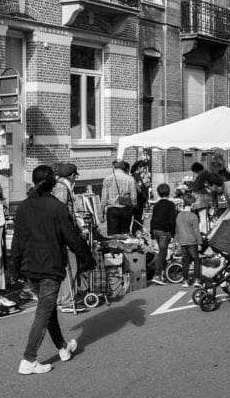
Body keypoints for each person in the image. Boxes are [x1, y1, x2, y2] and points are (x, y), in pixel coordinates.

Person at [10, 165, 95, 375]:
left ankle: (63, 348)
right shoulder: (57, 208)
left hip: (30, 267)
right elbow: (72, 237)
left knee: (48, 309)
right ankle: (29, 359)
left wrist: (14, 267)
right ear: (52, 183)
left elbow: (17, 241)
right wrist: (87, 259)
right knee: (44, 311)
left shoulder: (23, 207)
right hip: (50, 266)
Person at [53, 163, 84, 313]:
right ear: (72, 176)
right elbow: (60, 211)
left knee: (66, 266)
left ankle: (61, 299)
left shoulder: (61, 186)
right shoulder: (62, 188)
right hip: (65, 234)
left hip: (62, 233)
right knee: (71, 266)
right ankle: (66, 301)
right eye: (75, 176)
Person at [149, 184, 176, 285]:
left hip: (155, 230)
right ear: (169, 192)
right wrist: (173, 234)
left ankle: (162, 271)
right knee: (163, 252)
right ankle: (157, 274)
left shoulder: (156, 205)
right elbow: (172, 220)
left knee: (161, 251)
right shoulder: (171, 205)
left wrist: (151, 233)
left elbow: (152, 219)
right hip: (164, 231)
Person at [101, 160, 138, 235]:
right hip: (126, 209)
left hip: (112, 209)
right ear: (123, 167)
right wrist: (133, 206)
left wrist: (101, 211)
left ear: (113, 167)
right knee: (124, 234)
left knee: (113, 235)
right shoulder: (130, 179)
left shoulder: (108, 179)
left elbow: (104, 198)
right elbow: (134, 198)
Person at [175, 193, 203, 288]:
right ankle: (196, 279)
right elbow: (197, 231)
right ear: (192, 204)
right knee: (196, 260)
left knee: (185, 261)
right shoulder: (193, 216)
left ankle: (185, 280)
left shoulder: (179, 215)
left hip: (183, 242)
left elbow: (177, 230)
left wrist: (176, 242)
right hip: (192, 241)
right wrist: (200, 243)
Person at [130, 160, 151, 235]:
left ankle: (136, 232)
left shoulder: (136, 176)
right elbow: (139, 190)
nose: (144, 170)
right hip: (138, 202)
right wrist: (145, 199)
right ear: (139, 167)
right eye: (143, 168)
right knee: (138, 219)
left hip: (139, 201)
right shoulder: (136, 176)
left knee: (138, 219)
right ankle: (136, 233)